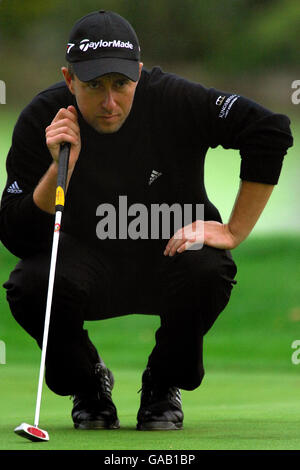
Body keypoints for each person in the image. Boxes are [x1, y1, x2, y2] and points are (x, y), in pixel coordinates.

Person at [0, 10, 293, 431]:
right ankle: (89, 385)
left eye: (121, 84)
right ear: (69, 80)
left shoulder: (173, 99)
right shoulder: (44, 118)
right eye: (92, 86)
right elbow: (14, 235)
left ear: (138, 73)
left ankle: (163, 383)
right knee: (29, 285)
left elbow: (270, 130)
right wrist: (57, 170)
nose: (109, 102)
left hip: (169, 258)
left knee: (209, 266)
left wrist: (234, 230)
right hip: (83, 267)